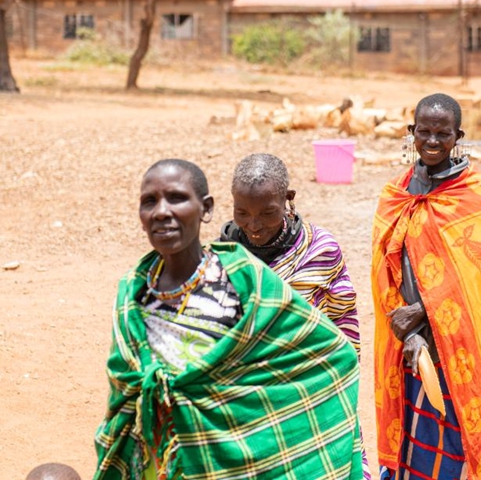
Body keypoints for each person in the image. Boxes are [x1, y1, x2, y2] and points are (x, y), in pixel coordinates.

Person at [94, 159, 363, 480]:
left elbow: (333, 355)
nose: (162, 212)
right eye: (149, 201)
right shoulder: (133, 293)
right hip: (159, 461)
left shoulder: (244, 280)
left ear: (205, 208)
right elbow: (123, 401)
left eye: (177, 198)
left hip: (242, 459)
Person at [371, 93, 481, 480]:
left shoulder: (473, 193)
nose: (432, 141)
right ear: (411, 133)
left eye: (442, 133)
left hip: (459, 348)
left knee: (455, 445)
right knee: (409, 444)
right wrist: (407, 330)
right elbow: (383, 270)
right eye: (425, 131)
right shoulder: (396, 192)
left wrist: (424, 313)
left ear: (458, 136)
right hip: (408, 345)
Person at [219, 152, 369, 478]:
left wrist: (339, 383)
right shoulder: (222, 257)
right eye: (242, 213)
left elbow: (344, 325)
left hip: (310, 392)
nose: (254, 225)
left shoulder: (320, 250)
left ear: (288, 200)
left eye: (267, 213)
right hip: (245, 401)